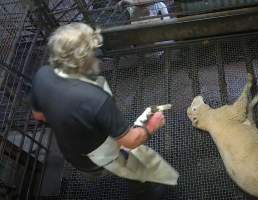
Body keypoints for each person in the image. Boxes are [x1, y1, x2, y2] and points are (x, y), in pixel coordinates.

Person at [31, 22, 179, 200]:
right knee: (135, 168)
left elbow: (38, 115)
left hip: (71, 150)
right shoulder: (97, 100)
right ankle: (144, 192)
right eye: (93, 52)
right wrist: (151, 126)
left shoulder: (43, 74)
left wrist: (71, 119)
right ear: (85, 59)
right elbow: (131, 140)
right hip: (99, 156)